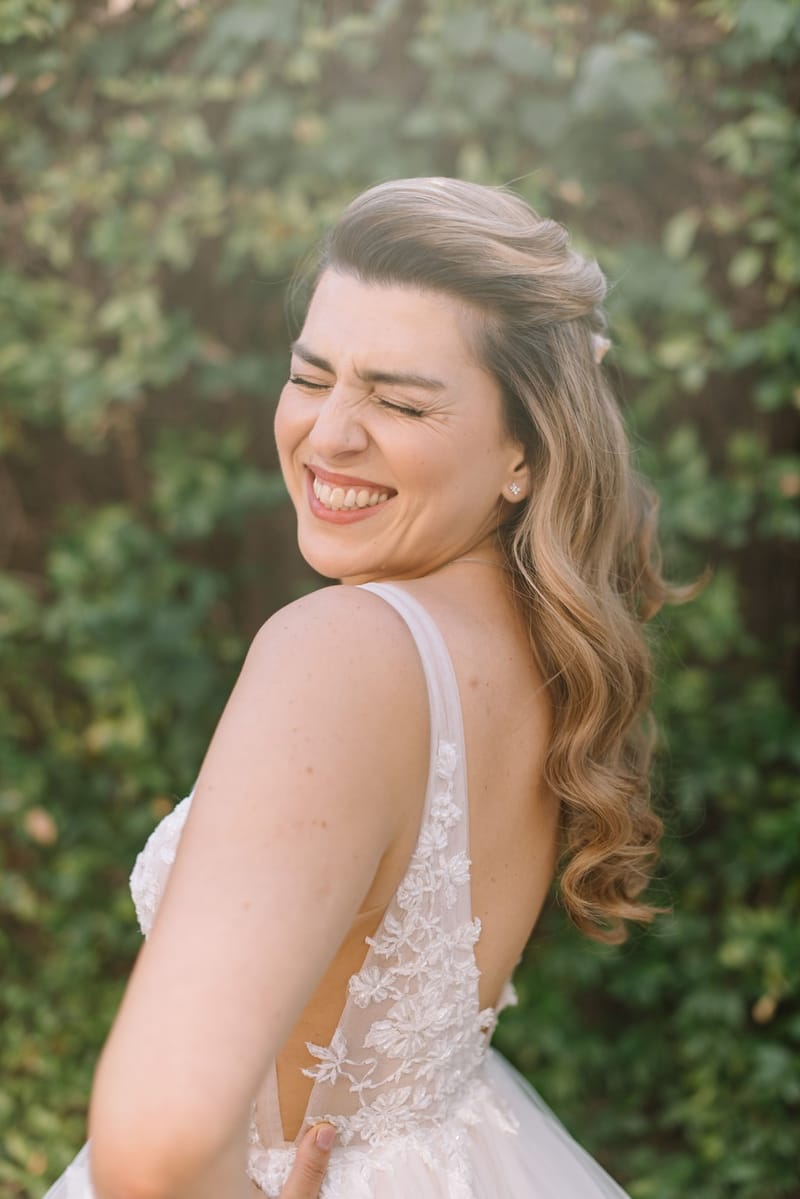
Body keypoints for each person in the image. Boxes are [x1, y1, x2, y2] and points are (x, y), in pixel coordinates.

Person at [44, 177, 685, 1199]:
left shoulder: (339, 650)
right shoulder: (536, 648)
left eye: (396, 398)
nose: (328, 435)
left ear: (524, 449)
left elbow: (156, 1147)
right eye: (312, 376)